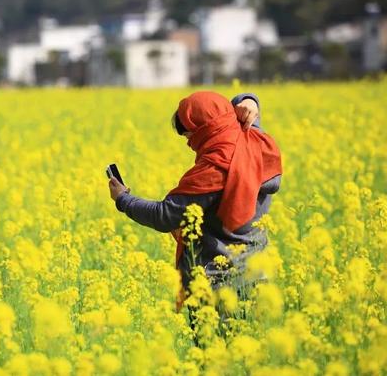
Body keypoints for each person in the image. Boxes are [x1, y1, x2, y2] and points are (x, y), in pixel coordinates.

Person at [107, 91, 282, 332]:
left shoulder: (215, 171)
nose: (190, 144)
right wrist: (250, 99)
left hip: (216, 287)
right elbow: (233, 113)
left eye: (189, 135)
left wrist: (123, 200)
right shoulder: (258, 141)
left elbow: (165, 215)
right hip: (258, 277)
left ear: (204, 131)